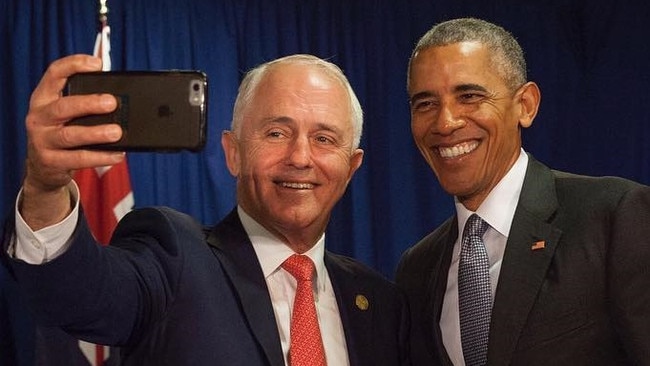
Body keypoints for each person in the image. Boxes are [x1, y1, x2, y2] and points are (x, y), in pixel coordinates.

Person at [1, 53, 409, 365]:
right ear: (233, 153)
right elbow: (78, 298)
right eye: (276, 132)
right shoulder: (173, 256)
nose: (300, 157)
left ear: (351, 167)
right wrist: (45, 187)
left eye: (324, 138)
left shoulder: (379, 302)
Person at [396, 17, 650, 366]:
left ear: (525, 105)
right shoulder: (417, 268)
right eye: (425, 104)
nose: (445, 122)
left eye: (469, 96)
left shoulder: (614, 216)